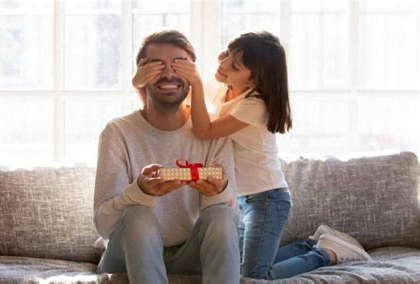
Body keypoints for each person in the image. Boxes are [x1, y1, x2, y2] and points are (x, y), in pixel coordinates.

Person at [133, 30, 371, 280]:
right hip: (240, 199)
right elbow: (181, 98)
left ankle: (325, 254)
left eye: (233, 65)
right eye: (225, 55)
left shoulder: (256, 105)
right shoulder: (227, 88)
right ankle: (311, 244)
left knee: (255, 278)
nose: (223, 64)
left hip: (267, 199)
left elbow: (204, 130)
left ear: (254, 79)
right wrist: (145, 80)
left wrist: (197, 82)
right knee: (237, 266)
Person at [93, 30, 240, 284]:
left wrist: (217, 191)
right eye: (158, 66)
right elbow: (104, 225)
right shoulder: (117, 132)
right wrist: (139, 191)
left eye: (179, 65)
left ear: (193, 74)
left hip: (190, 254)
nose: (170, 74)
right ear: (141, 75)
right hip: (126, 254)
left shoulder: (215, 131)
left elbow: (230, 223)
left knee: (221, 214)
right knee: (138, 214)